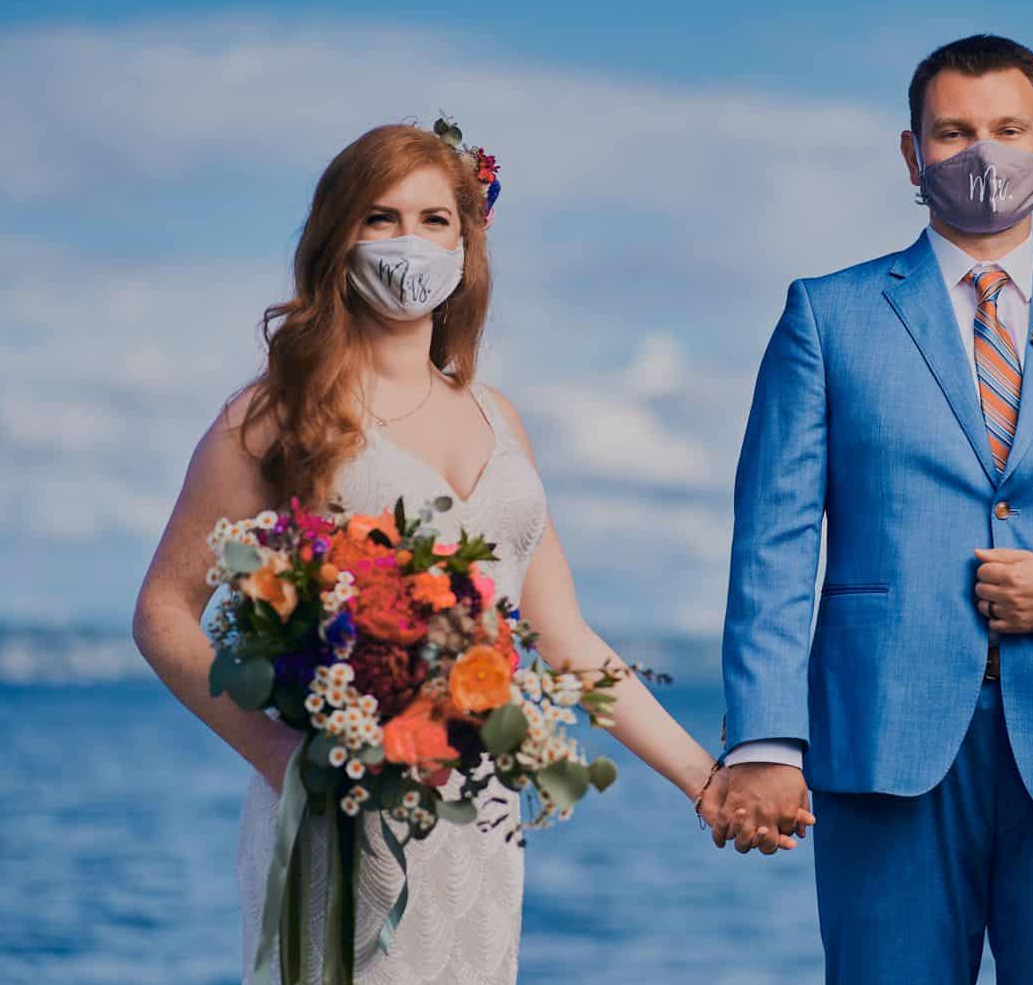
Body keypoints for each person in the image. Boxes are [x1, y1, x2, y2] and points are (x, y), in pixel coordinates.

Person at [130, 121, 806, 984]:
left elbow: (563, 638)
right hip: (337, 808)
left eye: (433, 218)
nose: (409, 240)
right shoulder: (277, 412)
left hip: (476, 818)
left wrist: (705, 780)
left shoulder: (499, 416)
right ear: (338, 237)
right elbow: (162, 612)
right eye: (381, 217)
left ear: (467, 239)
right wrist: (282, 755)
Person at [715, 35, 1033, 983]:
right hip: (883, 743)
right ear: (912, 155)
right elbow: (774, 544)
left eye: (1005, 129)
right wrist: (762, 739)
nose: (979, 154)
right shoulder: (826, 316)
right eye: (953, 132)